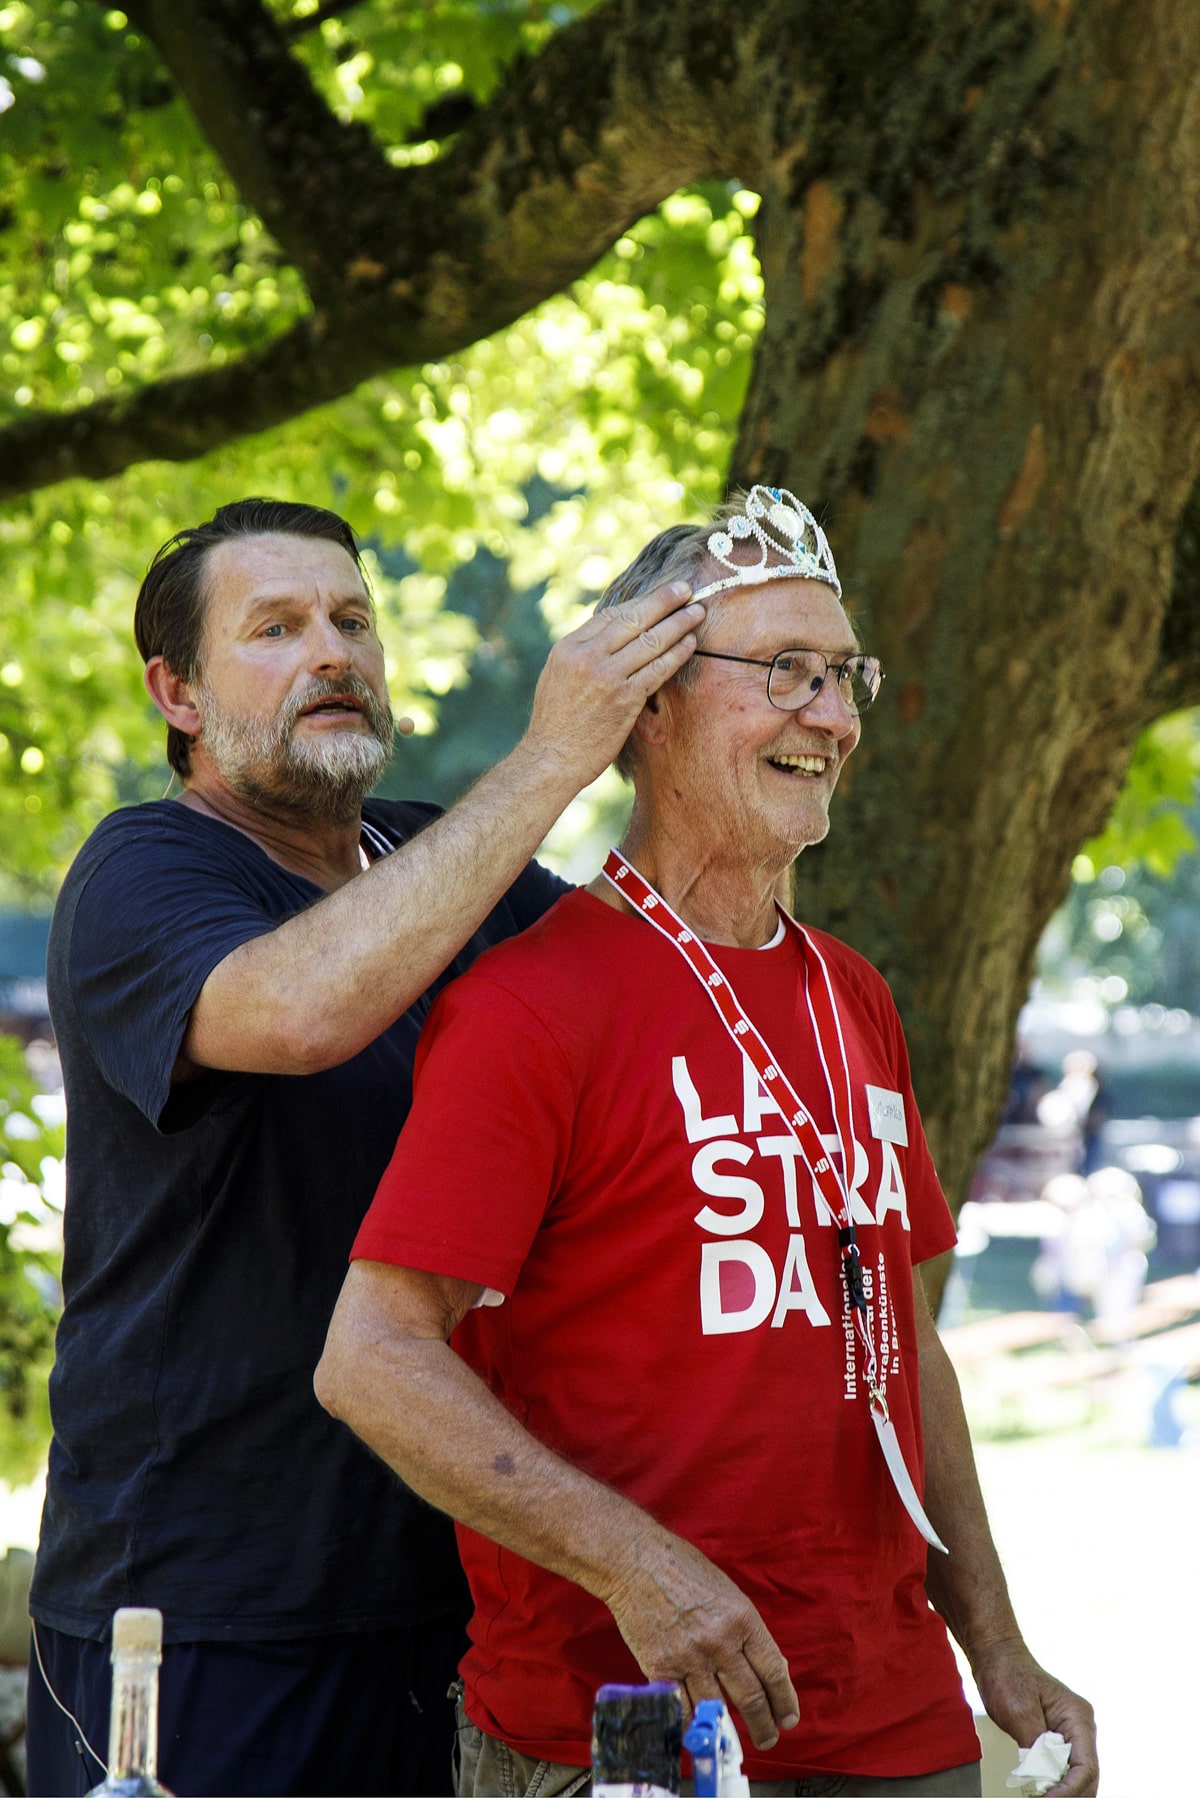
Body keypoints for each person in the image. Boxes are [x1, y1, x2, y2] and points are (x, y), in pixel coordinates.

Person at [317, 487, 1100, 1798]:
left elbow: (903, 1338)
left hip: (897, 1733)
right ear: (654, 703)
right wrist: (638, 1563)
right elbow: (373, 1361)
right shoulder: (525, 1006)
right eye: (785, 672)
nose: (836, 718)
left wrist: (996, 1641)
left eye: (844, 676)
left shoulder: (854, 996)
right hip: (621, 1738)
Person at [26, 496, 704, 1799]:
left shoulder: (447, 860)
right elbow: (303, 1009)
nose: (331, 652)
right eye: (275, 627)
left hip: (454, 1583)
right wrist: (549, 758)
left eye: (351, 620)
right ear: (177, 692)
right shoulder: (141, 869)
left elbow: (661, 1006)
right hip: (200, 1608)